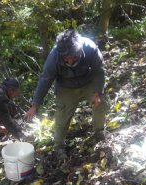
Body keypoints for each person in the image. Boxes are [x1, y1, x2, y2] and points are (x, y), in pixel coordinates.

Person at [25, 29, 109, 161]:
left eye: (74, 57)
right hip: (66, 87)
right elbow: (45, 80)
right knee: (61, 117)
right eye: (66, 59)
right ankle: (59, 147)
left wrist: (98, 92)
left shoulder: (90, 47)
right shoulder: (53, 57)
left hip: (88, 82)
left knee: (101, 102)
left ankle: (99, 132)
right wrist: (35, 105)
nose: (70, 62)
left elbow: (99, 71)